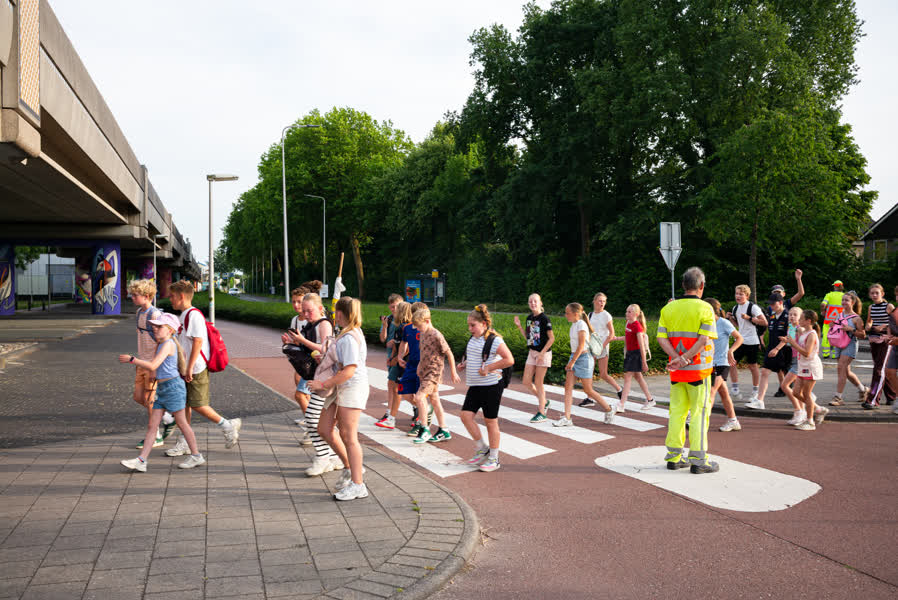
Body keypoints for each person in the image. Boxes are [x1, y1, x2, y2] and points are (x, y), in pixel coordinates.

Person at [119, 313, 205, 472]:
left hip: (174, 388)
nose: (155, 328)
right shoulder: (162, 344)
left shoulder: (168, 344)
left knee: (182, 423)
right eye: (154, 326)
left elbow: (153, 365)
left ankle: (196, 455)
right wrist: (154, 376)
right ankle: (142, 460)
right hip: (163, 389)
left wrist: (133, 360)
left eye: (159, 326)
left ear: (170, 330)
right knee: (152, 425)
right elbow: (156, 367)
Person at [164, 281, 241, 457]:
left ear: (181, 296)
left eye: (172, 296)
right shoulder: (185, 315)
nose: (170, 299)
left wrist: (189, 367)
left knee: (198, 404)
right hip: (186, 368)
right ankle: (184, 442)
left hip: (196, 368)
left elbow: (198, 342)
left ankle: (227, 425)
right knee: (184, 406)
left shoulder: (193, 315)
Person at [657, 267, 719, 474]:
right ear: (701, 286)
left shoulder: (668, 308)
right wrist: (685, 359)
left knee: (677, 412)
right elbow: (703, 339)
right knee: (699, 413)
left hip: (676, 371)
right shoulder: (706, 308)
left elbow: (661, 338)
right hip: (699, 371)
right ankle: (699, 460)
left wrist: (676, 359)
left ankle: (674, 457)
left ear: (683, 285)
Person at [308, 297, 369, 501]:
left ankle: (358, 484)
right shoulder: (348, 333)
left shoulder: (350, 337)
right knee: (324, 429)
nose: (334, 315)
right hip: (341, 386)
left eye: (335, 312)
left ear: (340, 313)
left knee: (348, 436)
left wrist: (323, 384)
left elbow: (350, 370)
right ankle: (350, 469)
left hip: (351, 387)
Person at [288, 293, 341, 476]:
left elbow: (325, 349)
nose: (306, 314)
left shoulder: (324, 324)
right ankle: (331, 456)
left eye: (309, 311)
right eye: (304, 311)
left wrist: (302, 341)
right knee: (318, 420)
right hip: (318, 376)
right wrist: (294, 344)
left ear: (319, 308)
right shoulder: (312, 324)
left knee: (313, 418)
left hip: (325, 378)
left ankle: (324, 457)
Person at [458, 305, 514, 472]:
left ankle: (494, 458)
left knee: (490, 421)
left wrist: (489, 368)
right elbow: (476, 356)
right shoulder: (473, 338)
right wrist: (464, 364)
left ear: (483, 324)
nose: (470, 328)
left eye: (473, 325)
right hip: (475, 385)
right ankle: (483, 448)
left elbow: (509, 359)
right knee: (465, 416)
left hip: (491, 386)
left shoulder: (494, 340)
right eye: (468, 325)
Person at [127, 279, 175, 449]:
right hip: (142, 362)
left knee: (149, 400)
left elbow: (162, 341)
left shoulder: (155, 315)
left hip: (152, 364)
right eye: (132, 295)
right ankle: (168, 418)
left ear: (147, 296)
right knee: (138, 397)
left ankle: (156, 436)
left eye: (135, 295)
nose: (132, 297)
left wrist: (155, 367)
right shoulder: (139, 312)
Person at [554, 303, 617, 427]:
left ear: (575, 314)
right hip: (575, 356)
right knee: (568, 388)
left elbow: (582, 345)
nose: (565, 315)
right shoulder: (574, 325)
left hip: (584, 358)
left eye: (567, 313)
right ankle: (567, 418)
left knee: (588, 390)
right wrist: (572, 359)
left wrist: (572, 361)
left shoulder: (581, 325)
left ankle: (609, 409)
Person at [411, 306, 460, 443]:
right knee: (434, 400)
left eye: (419, 326)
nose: (418, 329)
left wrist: (453, 371)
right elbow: (423, 352)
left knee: (419, 397)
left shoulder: (436, 335)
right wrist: (419, 366)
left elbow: (449, 353)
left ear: (427, 321)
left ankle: (424, 429)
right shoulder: (423, 334)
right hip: (424, 372)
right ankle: (444, 429)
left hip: (433, 373)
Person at [782, 310, 828, 430]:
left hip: (811, 366)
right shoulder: (803, 332)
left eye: (801, 318)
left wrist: (793, 343)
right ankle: (818, 409)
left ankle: (810, 421)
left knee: (807, 394)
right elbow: (798, 341)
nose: (799, 320)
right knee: (796, 392)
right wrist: (788, 341)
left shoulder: (812, 334)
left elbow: (807, 353)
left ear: (808, 321)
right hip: (803, 366)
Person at [513, 293, 555, 422]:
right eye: (530, 301)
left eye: (535, 301)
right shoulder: (529, 318)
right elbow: (529, 337)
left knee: (538, 383)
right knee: (526, 381)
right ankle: (544, 401)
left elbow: (552, 339)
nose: (533, 303)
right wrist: (519, 326)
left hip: (544, 354)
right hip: (532, 352)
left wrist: (542, 353)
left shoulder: (544, 319)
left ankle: (542, 413)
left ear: (540, 303)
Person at [747, 294, 794, 410]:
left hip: (784, 351)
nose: (771, 306)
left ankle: (807, 398)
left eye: (774, 303)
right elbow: (769, 330)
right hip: (772, 348)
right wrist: (762, 338)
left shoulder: (788, 316)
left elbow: (789, 336)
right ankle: (760, 400)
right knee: (765, 372)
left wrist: (777, 349)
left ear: (781, 302)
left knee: (790, 379)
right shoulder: (772, 316)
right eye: (770, 304)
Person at [705, 298, 743, 432]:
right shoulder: (705, 324)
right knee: (723, 393)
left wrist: (731, 350)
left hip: (721, 363)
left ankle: (702, 423)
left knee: (711, 391)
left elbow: (739, 338)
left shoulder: (724, 323)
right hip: (709, 363)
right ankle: (733, 421)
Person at [726, 285, 768, 404]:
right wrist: (731, 318)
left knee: (752, 366)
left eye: (741, 294)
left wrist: (749, 318)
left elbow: (764, 322)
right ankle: (735, 389)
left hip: (752, 340)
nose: (738, 296)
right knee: (731, 362)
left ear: (747, 296)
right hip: (740, 340)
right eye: (736, 293)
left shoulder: (752, 307)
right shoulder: (735, 308)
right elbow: (738, 325)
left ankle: (755, 391)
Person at [767, 269, 805, 396]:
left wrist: (798, 279)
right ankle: (783, 387)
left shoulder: (787, 303)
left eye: (779, 292)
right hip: (778, 338)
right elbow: (769, 323)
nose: (777, 294)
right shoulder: (770, 308)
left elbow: (800, 293)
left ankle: (787, 386)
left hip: (788, 339)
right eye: (774, 292)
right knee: (779, 367)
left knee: (787, 366)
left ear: (783, 294)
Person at [282, 285, 311, 439]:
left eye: (299, 302)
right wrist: (288, 342)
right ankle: (309, 417)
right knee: (303, 391)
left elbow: (313, 342)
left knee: (300, 394)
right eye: (294, 302)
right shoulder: (295, 320)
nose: (296, 305)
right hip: (300, 360)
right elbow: (296, 341)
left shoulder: (311, 319)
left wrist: (300, 342)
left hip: (311, 361)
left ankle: (313, 425)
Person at [829, 292, 867, 406]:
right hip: (839, 344)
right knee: (846, 372)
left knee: (840, 368)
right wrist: (833, 325)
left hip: (850, 345)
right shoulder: (839, 315)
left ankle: (838, 397)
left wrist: (851, 329)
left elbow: (863, 335)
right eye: (843, 300)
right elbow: (837, 328)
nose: (844, 302)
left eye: (847, 300)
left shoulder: (856, 318)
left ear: (853, 302)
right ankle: (863, 390)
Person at [615, 304, 655, 411]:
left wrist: (644, 362)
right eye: (626, 311)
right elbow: (628, 338)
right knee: (638, 377)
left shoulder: (637, 326)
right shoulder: (628, 323)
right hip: (630, 353)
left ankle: (621, 404)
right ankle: (650, 400)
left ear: (636, 314)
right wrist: (616, 338)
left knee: (627, 377)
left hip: (636, 354)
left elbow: (641, 345)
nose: (627, 313)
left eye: (629, 312)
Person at [399, 303, 432, 436]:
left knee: (420, 396)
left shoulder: (428, 329)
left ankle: (420, 424)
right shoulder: (407, 328)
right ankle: (426, 409)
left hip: (424, 367)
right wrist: (400, 356)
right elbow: (404, 342)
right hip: (411, 365)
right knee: (405, 392)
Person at [377, 298, 409, 429]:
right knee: (393, 386)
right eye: (391, 306)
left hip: (400, 359)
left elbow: (406, 344)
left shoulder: (406, 325)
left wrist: (396, 357)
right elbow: (383, 339)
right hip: (393, 357)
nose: (394, 309)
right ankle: (391, 414)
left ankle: (419, 411)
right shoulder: (390, 320)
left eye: (396, 306)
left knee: (398, 387)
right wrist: (385, 326)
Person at [588, 292, 623, 402]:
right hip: (592, 346)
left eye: (604, 301)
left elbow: (612, 334)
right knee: (589, 372)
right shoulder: (590, 315)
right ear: (594, 301)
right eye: (600, 301)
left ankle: (619, 390)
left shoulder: (606, 315)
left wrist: (601, 347)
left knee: (603, 374)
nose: (602, 303)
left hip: (603, 346)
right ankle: (590, 397)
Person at [864, 284, 894, 406]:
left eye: (877, 293)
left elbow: (895, 322)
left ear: (882, 294)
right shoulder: (871, 307)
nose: (874, 295)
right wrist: (868, 326)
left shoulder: (888, 306)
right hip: (873, 339)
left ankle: (872, 400)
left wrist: (884, 326)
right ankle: (892, 396)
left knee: (878, 370)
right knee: (881, 369)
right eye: (872, 293)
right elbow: (869, 322)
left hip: (886, 340)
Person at [820, 280, 846, 359]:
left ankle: (826, 354)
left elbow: (823, 304)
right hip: (840, 321)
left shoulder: (829, 295)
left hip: (828, 320)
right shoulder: (845, 296)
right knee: (837, 336)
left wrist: (822, 311)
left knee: (826, 336)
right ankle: (835, 354)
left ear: (834, 286)